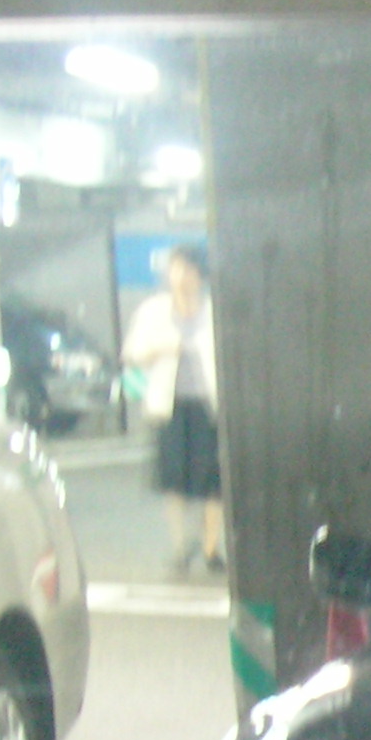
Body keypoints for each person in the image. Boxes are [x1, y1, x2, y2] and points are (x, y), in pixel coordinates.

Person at [124, 243, 226, 576]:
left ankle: (211, 548)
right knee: (174, 479)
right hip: (169, 406)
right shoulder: (154, 310)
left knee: (213, 479)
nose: (181, 276)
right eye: (176, 269)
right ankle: (181, 547)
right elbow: (133, 353)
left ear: (200, 275)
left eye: (188, 269)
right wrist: (162, 347)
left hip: (208, 404)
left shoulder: (213, 310)